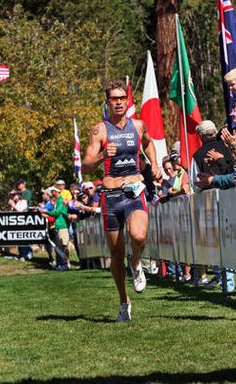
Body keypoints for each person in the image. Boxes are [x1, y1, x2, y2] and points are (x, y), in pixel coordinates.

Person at [82, 79, 160, 322]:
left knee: (138, 236)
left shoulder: (138, 126)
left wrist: (155, 163)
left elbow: (149, 143)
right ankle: (124, 302)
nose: (118, 102)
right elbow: (86, 165)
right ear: (107, 102)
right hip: (110, 196)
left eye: (121, 98)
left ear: (127, 101)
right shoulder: (100, 130)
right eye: (113, 99)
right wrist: (104, 153)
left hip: (134, 190)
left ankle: (136, 263)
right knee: (116, 253)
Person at [191, 120, 234, 192]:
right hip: (235, 194)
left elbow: (195, 184)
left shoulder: (197, 155)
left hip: (210, 198)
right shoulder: (228, 147)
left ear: (201, 135)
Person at [40, 186, 70, 270]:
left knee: (62, 246)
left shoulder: (60, 200)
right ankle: (61, 264)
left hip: (62, 226)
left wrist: (46, 211)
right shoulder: (58, 200)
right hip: (59, 225)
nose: (51, 193)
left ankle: (64, 265)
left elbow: (56, 213)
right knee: (59, 246)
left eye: (52, 191)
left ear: (56, 191)